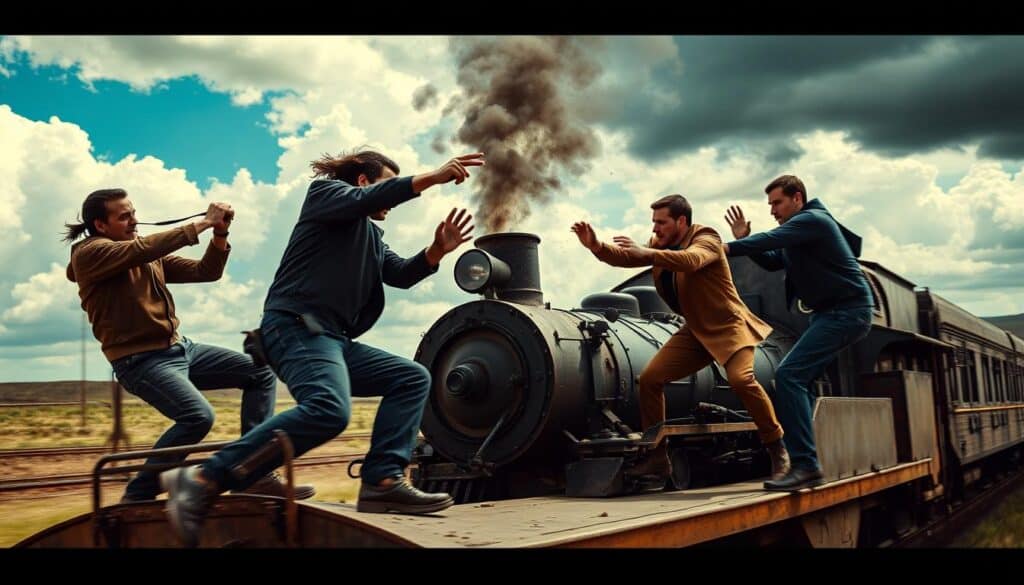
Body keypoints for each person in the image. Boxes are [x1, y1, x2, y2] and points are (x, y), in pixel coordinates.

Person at [160, 150, 484, 546]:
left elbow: (399, 275)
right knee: (329, 408)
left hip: (331, 338)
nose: (386, 202)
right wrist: (431, 178)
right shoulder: (325, 195)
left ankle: (382, 480)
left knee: (411, 377)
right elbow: (366, 202)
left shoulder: (370, 236)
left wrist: (437, 251)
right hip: (294, 327)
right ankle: (202, 478)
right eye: (384, 184)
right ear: (363, 182)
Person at [64, 188, 314, 503]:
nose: (134, 220)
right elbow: (144, 248)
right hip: (140, 361)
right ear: (100, 226)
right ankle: (139, 494)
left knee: (259, 373)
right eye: (124, 216)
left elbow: (205, 271)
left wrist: (220, 234)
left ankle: (254, 473)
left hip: (182, 349)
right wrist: (204, 222)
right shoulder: (90, 255)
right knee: (198, 417)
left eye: (133, 212)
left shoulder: (144, 254)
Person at [571, 194, 789, 485]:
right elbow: (628, 256)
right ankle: (658, 458)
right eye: (654, 223)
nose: (655, 229)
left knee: (741, 379)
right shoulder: (660, 245)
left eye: (661, 222)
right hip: (695, 329)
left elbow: (691, 260)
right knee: (650, 378)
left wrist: (648, 253)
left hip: (727, 326)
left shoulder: (706, 237)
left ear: (681, 221)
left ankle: (777, 448)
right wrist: (596, 246)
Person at [723, 174, 874, 490]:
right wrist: (743, 238)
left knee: (789, 376)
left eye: (777, 203)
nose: (773, 210)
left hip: (846, 311)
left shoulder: (813, 221)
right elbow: (771, 260)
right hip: (829, 314)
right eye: (770, 204)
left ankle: (805, 465)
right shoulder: (798, 234)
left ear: (797, 198)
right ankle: (808, 460)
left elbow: (768, 241)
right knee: (798, 380)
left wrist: (724, 246)